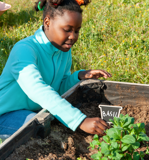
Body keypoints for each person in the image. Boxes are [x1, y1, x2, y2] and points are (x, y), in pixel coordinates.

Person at [0, 0, 112, 141]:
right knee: (40, 128)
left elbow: (58, 88)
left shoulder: (62, 51)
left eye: (77, 30)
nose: (73, 37)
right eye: (67, 29)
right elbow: (38, 89)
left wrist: (78, 76)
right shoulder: (24, 50)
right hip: (4, 114)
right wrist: (80, 120)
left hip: (37, 111)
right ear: (47, 22)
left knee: (50, 122)